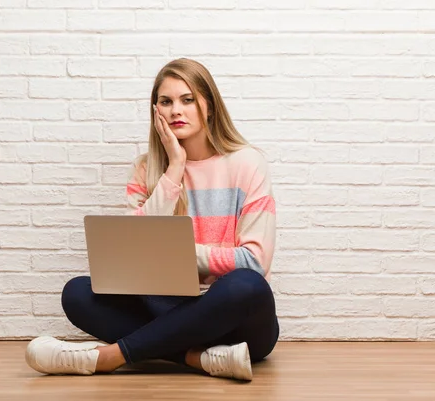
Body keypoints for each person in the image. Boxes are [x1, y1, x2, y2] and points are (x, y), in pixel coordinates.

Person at [25, 58, 278, 381]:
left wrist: (178, 252)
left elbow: (254, 261)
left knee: (247, 285)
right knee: (77, 293)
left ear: (209, 106)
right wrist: (174, 169)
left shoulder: (247, 163)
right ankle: (199, 359)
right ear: (155, 110)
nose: (176, 110)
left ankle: (109, 357)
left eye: (187, 100)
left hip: (234, 320)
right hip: (166, 306)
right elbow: (135, 253)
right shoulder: (146, 169)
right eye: (166, 101)